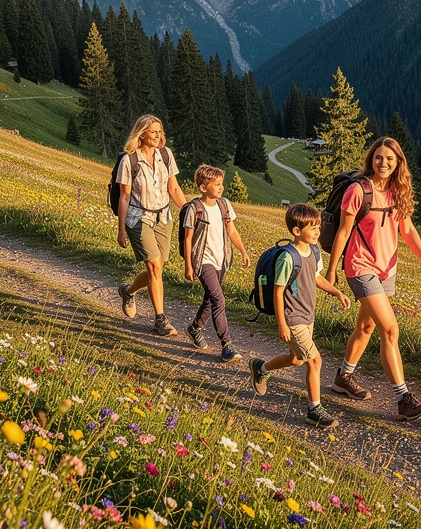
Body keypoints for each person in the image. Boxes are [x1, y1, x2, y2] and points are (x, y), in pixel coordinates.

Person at [325, 137, 421, 420]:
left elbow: (408, 230)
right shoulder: (358, 190)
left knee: (365, 327)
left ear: (399, 162)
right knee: (389, 329)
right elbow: (342, 231)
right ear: (371, 160)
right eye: (378, 158)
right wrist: (331, 269)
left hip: (387, 269)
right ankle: (403, 399)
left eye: (389, 159)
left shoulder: (398, 192)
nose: (383, 163)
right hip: (360, 266)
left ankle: (343, 378)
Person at [249, 203, 351, 427]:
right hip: (293, 318)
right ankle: (314, 409)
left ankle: (261, 368)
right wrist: (282, 324)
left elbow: (316, 277)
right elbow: (278, 292)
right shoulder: (288, 257)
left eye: (318, 227)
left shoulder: (314, 251)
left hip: (308, 316)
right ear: (296, 231)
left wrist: (337, 292)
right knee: (315, 361)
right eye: (312, 228)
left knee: (296, 359)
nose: (317, 232)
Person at [116, 114, 186, 336]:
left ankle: (128, 291)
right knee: (155, 266)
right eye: (153, 131)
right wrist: (121, 230)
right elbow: (124, 197)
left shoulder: (166, 155)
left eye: (160, 131)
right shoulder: (129, 160)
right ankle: (160, 320)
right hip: (138, 219)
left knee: (157, 267)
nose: (158, 135)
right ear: (142, 133)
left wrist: (189, 213)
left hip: (163, 217)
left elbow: (173, 189)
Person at [181, 164, 250, 363]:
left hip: (221, 259)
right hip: (203, 260)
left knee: (211, 299)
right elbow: (187, 239)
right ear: (203, 188)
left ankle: (194, 328)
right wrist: (189, 265)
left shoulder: (224, 205)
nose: (221, 188)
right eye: (216, 184)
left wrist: (243, 251)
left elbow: (232, 231)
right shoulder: (195, 209)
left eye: (221, 183)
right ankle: (227, 345)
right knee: (219, 299)